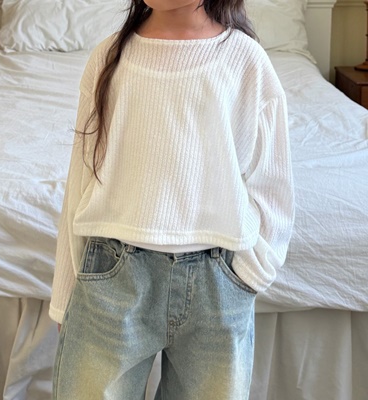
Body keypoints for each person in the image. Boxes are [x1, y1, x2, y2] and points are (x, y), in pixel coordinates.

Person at [49, 0, 294, 399]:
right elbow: (79, 183)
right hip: (111, 281)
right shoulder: (109, 58)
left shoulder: (246, 61)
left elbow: (273, 189)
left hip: (217, 288)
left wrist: (247, 275)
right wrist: (64, 298)